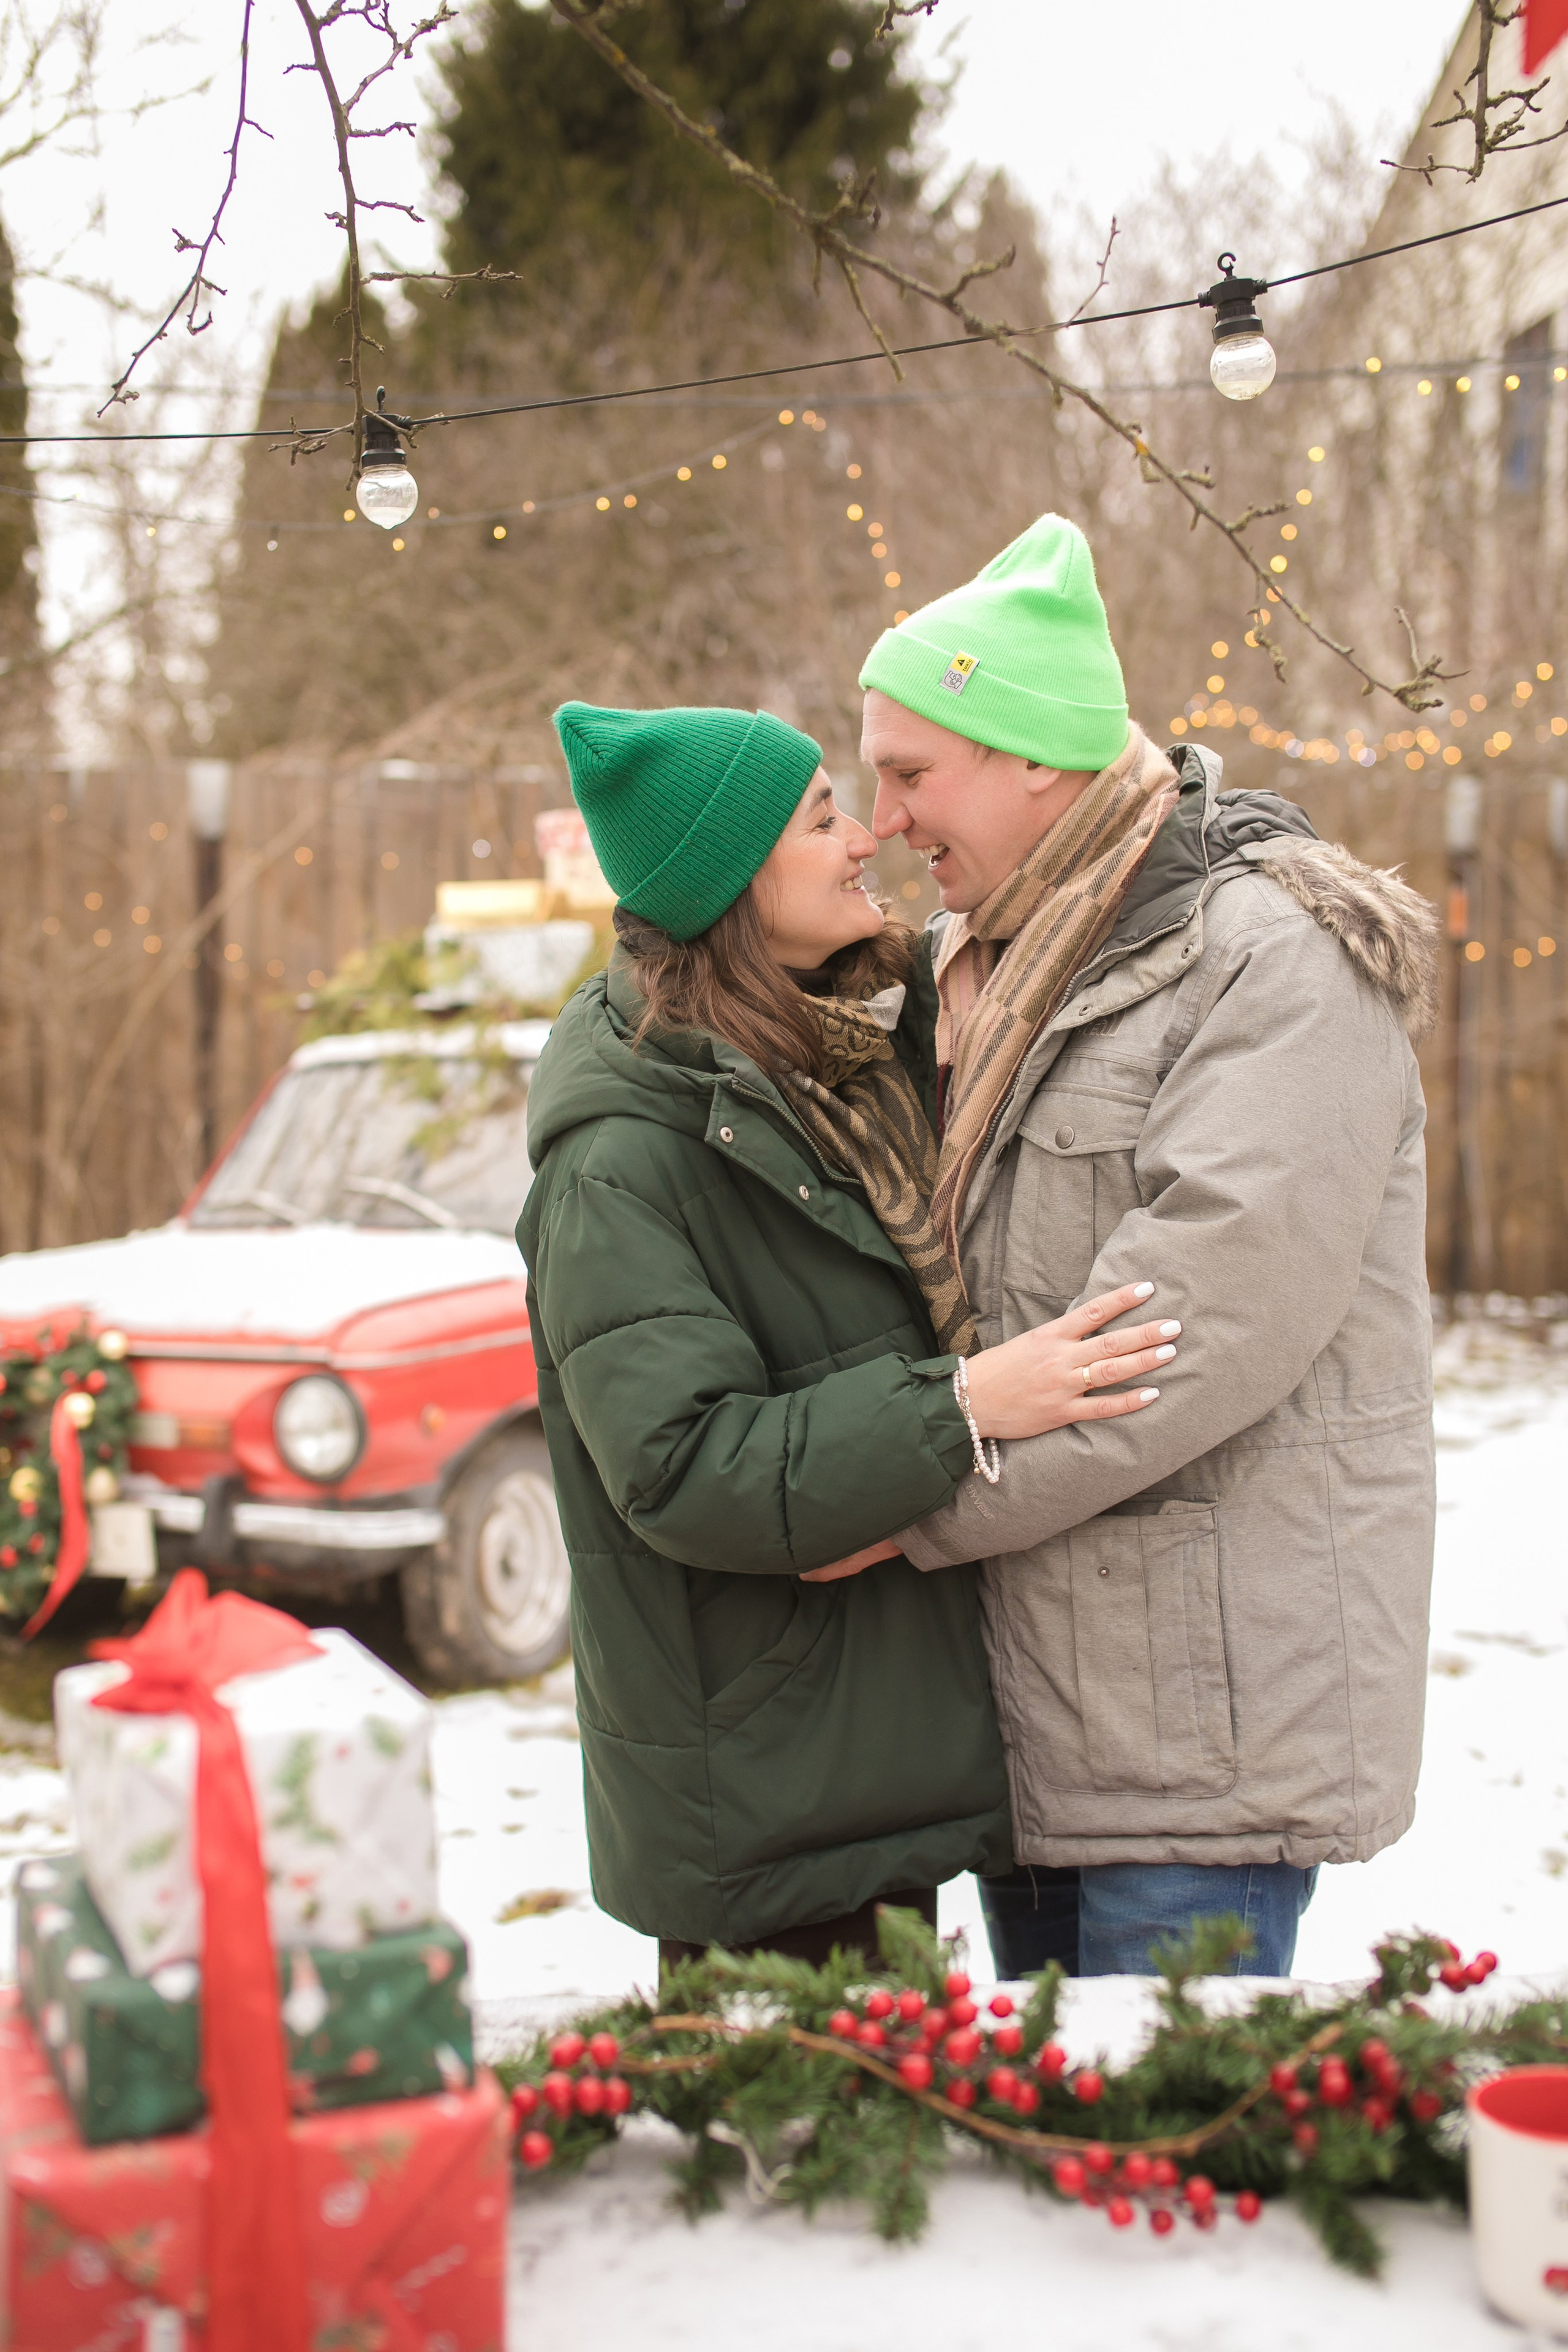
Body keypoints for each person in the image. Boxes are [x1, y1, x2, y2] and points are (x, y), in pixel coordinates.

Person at [824, 511, 1439, 1980]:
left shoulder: (1271, 959)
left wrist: (903, 1507)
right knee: (1046, 2177)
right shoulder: (970, 971)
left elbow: (1182, 1340)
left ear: (1032, 755)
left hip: (1197, 1730)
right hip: (1032, 1710)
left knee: (1170, 2181)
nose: (886, 820)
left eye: (911, 774)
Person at [516, 699, 1185, 1968]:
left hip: (869, 1754)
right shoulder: (623, 1161)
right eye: (823, 816)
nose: (866, 836)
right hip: (764, 1792)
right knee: (802, 2157)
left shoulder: (854, 1056)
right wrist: (962, 1404)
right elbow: (681, 1467)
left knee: (915, 2157)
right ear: (731, 881)